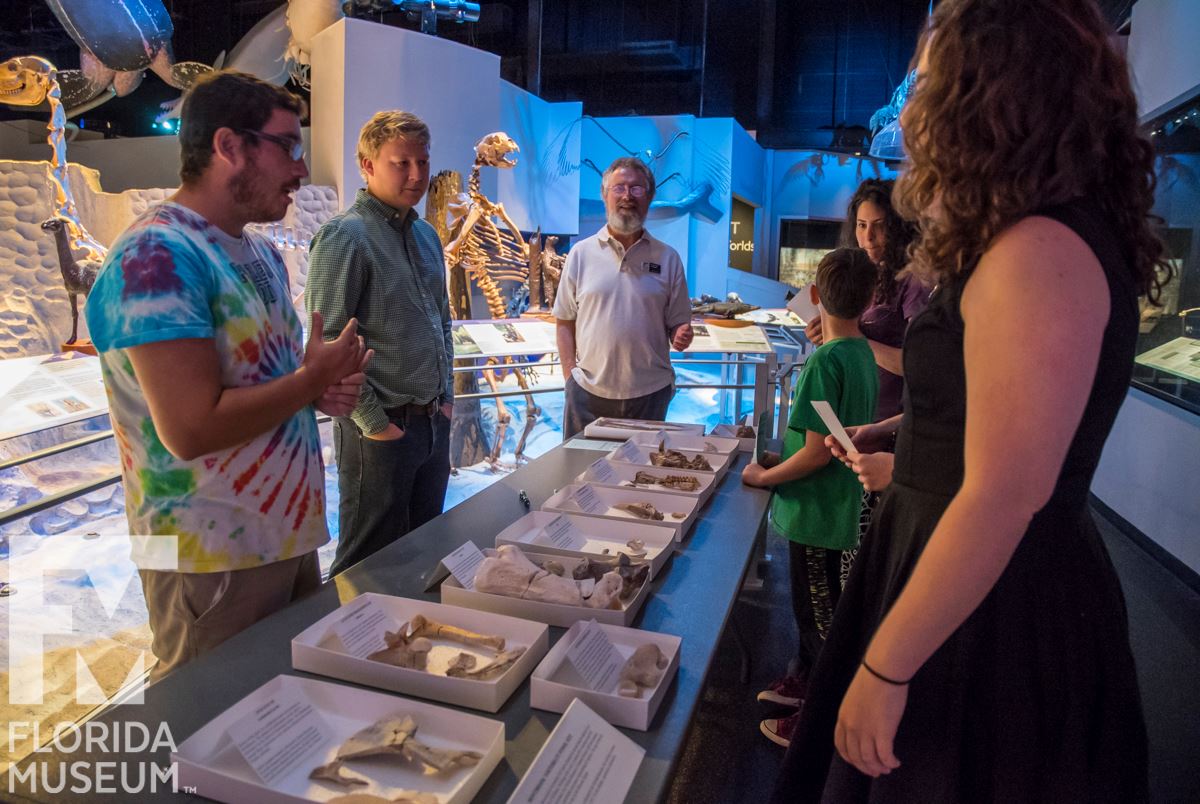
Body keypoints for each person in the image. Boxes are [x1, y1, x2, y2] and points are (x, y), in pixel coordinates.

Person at [773, 0, 1164, 800]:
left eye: (926, 84)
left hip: (993, 609)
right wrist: (901, 432)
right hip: (961, 572)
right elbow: (983, 418)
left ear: (986, 92)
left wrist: (887, 666)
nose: (910, 113)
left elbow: (1003, 495)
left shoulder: (1039, 250)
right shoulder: (1027, 239)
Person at [85, 71, 369, 679]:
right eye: (288, 146)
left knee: (286, 713)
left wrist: (316, 392)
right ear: (229, 146)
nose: (301, 169)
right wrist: (307, 382)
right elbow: (189, 429)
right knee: (209, 721)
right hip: (204, 556)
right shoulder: (156, 255)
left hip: (283, 538)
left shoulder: (259, 252)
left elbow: (258, 387)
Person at [306, 110, 455, 577]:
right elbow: (329, 339)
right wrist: (375, 425)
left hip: (430, 423)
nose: (416, 175)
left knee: (423, 554)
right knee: (366, 565)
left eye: (422, 162)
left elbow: (442, 322)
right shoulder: (345, 236)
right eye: (400, 163)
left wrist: (446, 400)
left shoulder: (426, 236)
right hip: (381, 429)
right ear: (367, 165)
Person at [741, 248, 879, 748]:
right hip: (838, 510)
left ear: (815, 295)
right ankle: (806, 688)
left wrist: (765, 476)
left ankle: (817, 724)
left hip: (818, 517)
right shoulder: (862, 353)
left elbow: (818, 453)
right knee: (817, 612)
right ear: (871, 299)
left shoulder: (824, 360)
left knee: (819, 619)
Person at [554, 157, 694, 438]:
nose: (627, 196)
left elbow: (678, 323)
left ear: (649, 197)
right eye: (619, 188)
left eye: (636, 188)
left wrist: (681, 333)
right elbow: (564, 320)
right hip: (587, 395)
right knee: (579, 466)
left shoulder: (668, 258)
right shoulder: (581, 254)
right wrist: (571, 378)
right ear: (605, 195)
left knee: (645, 467)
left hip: (650, 395)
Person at [807, 178, 927, 421]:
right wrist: (823, 333)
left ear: (897, 228)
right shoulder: (855, 273)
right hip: (847, 407)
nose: (868, 237)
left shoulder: (912, 281)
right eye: (861, 225)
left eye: (879, 226)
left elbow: (917, 364)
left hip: (888, 419)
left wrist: (851, 338)